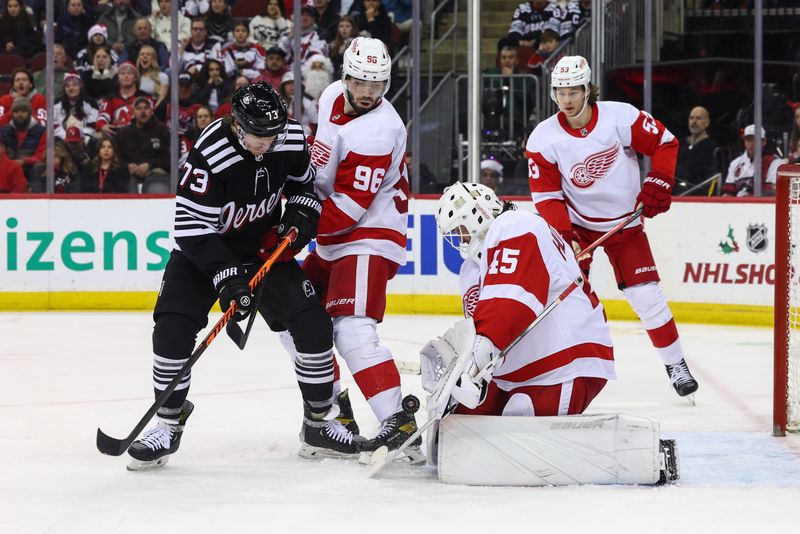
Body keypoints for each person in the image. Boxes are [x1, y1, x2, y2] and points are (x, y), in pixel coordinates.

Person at [126, 82, 362, 470]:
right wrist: (227, 275)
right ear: (237, 125)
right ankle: (167, 423)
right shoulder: (212, 150)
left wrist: (300, 217)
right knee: (171, 327)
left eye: (271, 136)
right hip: (204, 255)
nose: (265, 144)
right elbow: (189, 226)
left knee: (314, 324)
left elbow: (304, 187)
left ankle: (319, 422)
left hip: (262, 250)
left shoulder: (287, 137)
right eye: (257, 136)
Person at [526, 55, 699, 399]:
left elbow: (666, 143)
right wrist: (565, 236)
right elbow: (547, 197)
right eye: (560, 91)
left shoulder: (621, 116)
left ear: (588, 89)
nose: (567, 99)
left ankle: (675, 364)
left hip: (626, 224)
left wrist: (660, 181)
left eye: (574, 90)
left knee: (647, 296)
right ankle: (572, 369)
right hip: (577, 227)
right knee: (569, 301)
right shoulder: (543, 139)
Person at [302, 37, 419, 459]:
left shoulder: (380, 129)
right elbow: (321, 163)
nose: (369, 92)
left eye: (378, 84)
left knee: (352, 329)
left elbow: (350, 206)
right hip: (335, 232)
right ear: (344, 76)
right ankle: (333, 412)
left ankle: (398, 421)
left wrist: (298, 224)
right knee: (290, 314)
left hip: (369, 232)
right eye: (361, 82)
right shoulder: (331, 96)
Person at [428, 181, 614, 418]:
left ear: (478, 214)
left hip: (562, 362)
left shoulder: (515, 224)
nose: (461, 241)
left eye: (460, 230)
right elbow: (480, 327)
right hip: (522, 370)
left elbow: (511, 303)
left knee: (519, 434)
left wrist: (476, 362)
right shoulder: (472, 268)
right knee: (461, 420)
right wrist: (462, 365)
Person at [115, 96, 170, 192]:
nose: (143, 111)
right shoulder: (123, 133)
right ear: (133, 113)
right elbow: (117, 156)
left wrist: (150, 165)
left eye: (146, 108)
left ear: (151, 111)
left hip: (155, 171)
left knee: (157, 188)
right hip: (129, 173)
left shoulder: (162, 130)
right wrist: (127, 165)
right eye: (139, 108)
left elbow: (168, 156)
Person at [722, 124, 786, 197]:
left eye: (756, 140)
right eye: (749, 140)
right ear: (744, 142)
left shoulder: (775, 162)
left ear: (764, 142)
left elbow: (770, 192)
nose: (752, 144)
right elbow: (728, 191)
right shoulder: (735, 164)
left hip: (761, 206)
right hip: (737, 205)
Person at [0, 98, 46, 190]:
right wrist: (11, 163)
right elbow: (1, 151)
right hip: (9, 168)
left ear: (30, 113)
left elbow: (42, 154)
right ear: (11, 114)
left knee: (38, 167)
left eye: (23, 111)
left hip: (31, 168)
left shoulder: (41, 131)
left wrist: (25, 161)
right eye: (16, 112)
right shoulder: (4, 131)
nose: (19, 114)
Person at [95, 62, 150, 137]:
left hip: (140, 135)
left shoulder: (145, 97)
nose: (126, 76)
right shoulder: (110, 98)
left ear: (136, 78)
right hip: (116, 135)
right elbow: (102, 116)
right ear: (118, 78)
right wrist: (103, 126)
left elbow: (150, 118)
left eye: (129, 73)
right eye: (122, 73)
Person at [674, 106, 718, 196]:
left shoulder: (712, 147)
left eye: (698, 118)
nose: (694, 121)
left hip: (697, 193)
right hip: (675, 190)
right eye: (691, 118)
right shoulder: (680, 144)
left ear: (707, 122)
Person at [53, 72, 100, 142]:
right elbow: (53, 125)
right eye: (67, 86)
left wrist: (78, 136)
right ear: (64, 89)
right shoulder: (57, 104)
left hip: (84, 139)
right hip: (62, 139)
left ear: (80, 87)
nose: (71, 88)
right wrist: (67, 136)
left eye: (74, 85)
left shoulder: (90, 103)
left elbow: (92, 126)